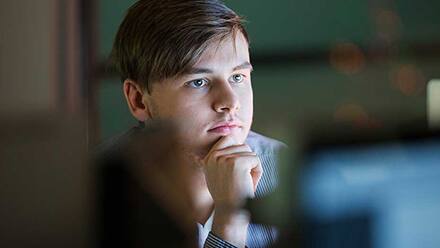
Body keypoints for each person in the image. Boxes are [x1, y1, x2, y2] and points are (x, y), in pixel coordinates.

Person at [107, 0, 286, 247]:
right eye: (198, 82)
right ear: (139, 100)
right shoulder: (95, 199)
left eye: (237, 77)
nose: (230, 102)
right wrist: (230, 217)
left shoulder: (286, 168)